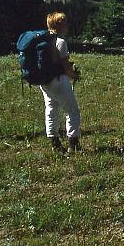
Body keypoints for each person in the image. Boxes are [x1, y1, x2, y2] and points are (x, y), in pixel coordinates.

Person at [40, 12, 81, 153]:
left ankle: (54, 142)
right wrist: (74, 75)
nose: (67, 25)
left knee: (51, 108)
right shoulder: (60, 42)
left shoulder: (42, 40)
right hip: (59, 80)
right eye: (65, 22)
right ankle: (73, 143)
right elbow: (65, 66)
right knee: (72, 111)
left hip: (45, 81)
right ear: (59, 25)